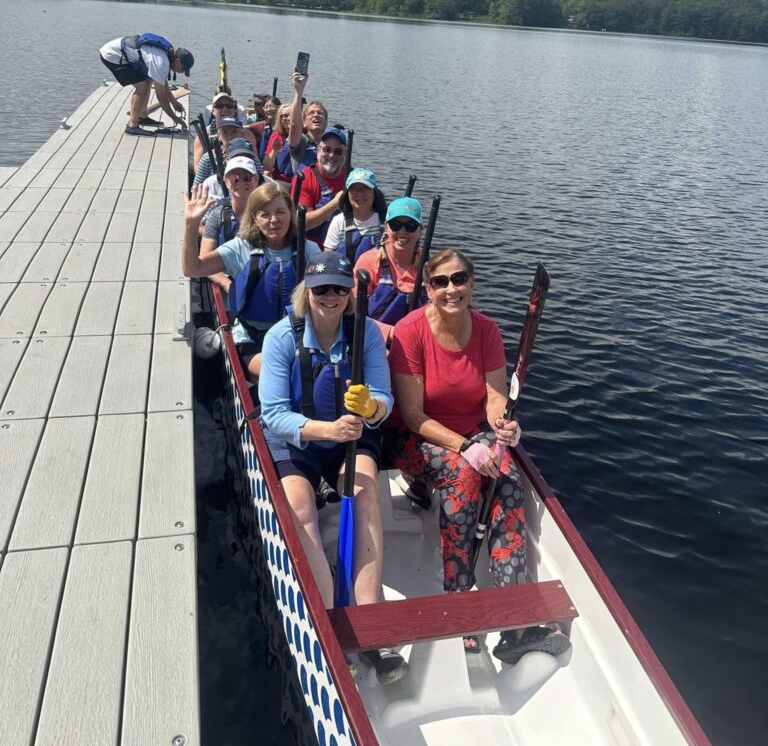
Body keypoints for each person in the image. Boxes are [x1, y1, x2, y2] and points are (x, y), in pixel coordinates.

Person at [389, 249, 569, 665]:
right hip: (414, 437)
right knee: (464, 477)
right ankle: (460, 600)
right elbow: (414, 415)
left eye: (460, 279)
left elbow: (493, 397)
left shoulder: (486, 330)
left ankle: (514, 622)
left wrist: (503, 425)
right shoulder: (409, 331)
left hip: (474, 432)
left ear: (471, 282)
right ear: (428, 288)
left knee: (506, 478)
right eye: (441, 282)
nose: (452, 289)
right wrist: (467, 448)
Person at [258, 252, 407, 684]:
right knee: (300, 509)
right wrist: (328, 429)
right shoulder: (281, 337)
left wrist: (373, 406)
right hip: (302, 439)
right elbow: (273, 414)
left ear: (350, 293)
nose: (331, 297)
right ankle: (326, 626)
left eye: (341, 289)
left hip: (352, 438)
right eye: (321, 289)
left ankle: (371, 626)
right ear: (307, 291)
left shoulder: (367, 337)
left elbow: (383, 400)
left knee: (366, 501)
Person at [183, 182, 317, 379]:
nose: (274, 220)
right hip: (254, 337)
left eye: (280, 212)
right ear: (254, 218)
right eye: (265, 214)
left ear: (291, 212)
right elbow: (192, 268)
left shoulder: (309, 250)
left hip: (297, 335)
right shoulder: (240, 248)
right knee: (280, 371)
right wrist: (191, 225)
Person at [354, 197, 427, 329]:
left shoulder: (429, 264)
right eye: (395, 225)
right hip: (375, 341)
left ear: (420, 230)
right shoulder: (369, 261)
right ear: (386, 228)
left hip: (419, 339)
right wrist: (392, 334)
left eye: (410, 226)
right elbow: (353, 312)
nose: (402, 231)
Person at [99, 32, 192, 134]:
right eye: (183, 69)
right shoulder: (161, 62)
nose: (182, 72)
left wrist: (174, 102)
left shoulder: (167, 55)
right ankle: (132, 126)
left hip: (118, 50)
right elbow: (161, 97)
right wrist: (175, 118)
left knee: (148, 80)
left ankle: (142, 116)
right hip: (112, 55)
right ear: (178, 61)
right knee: (142, 86)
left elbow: (162, 82)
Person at [198, 157, 262, 294]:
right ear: (226, 182)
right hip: (228, 280)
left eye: (247, 177)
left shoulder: (268, 214)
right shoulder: (217, 215)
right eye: (234, 178)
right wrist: (226, 283)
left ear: (256, 180)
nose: (241, 182)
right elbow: (204, 259)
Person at [294, 127, 347, 247]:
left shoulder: (351, 177)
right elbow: (301, 223)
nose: (332, 155)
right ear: (318, 151)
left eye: (338, 152)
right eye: (327, 150)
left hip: (343, 245)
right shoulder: (304, 177)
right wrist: (334, 204)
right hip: (311, 246)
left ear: (345, 154)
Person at [324, 168, 386, 264]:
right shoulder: (338, 221)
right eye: (354, 189)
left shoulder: (386, 221)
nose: (360, 193)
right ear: (347, 194)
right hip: (345, 276)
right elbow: (327, 257)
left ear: (375, 192)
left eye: (366, 188)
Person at [275, 70, 329, 176]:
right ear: (303, 123)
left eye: (320, 113)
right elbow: (294, 126)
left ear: (326, 122)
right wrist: (299, 91)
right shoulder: (301, 141)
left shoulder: (331, 145)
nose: (316, 115)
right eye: (311, 113)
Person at [193, 93, 258, 170]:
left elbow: (255, 163)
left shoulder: (246, 134)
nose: (225, 109)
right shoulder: (204, 135)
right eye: (219, 106)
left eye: (229, 106)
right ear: (213, 111)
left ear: (235, 110)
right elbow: (197, 168)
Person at [262, 104, 292, 179]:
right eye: (285, 116)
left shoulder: (305, 134)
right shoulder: (276, 136)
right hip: (280, 180)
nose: (289, 118)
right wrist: (275, 151)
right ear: (280, 119)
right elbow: (267, 167)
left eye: (292, 115)